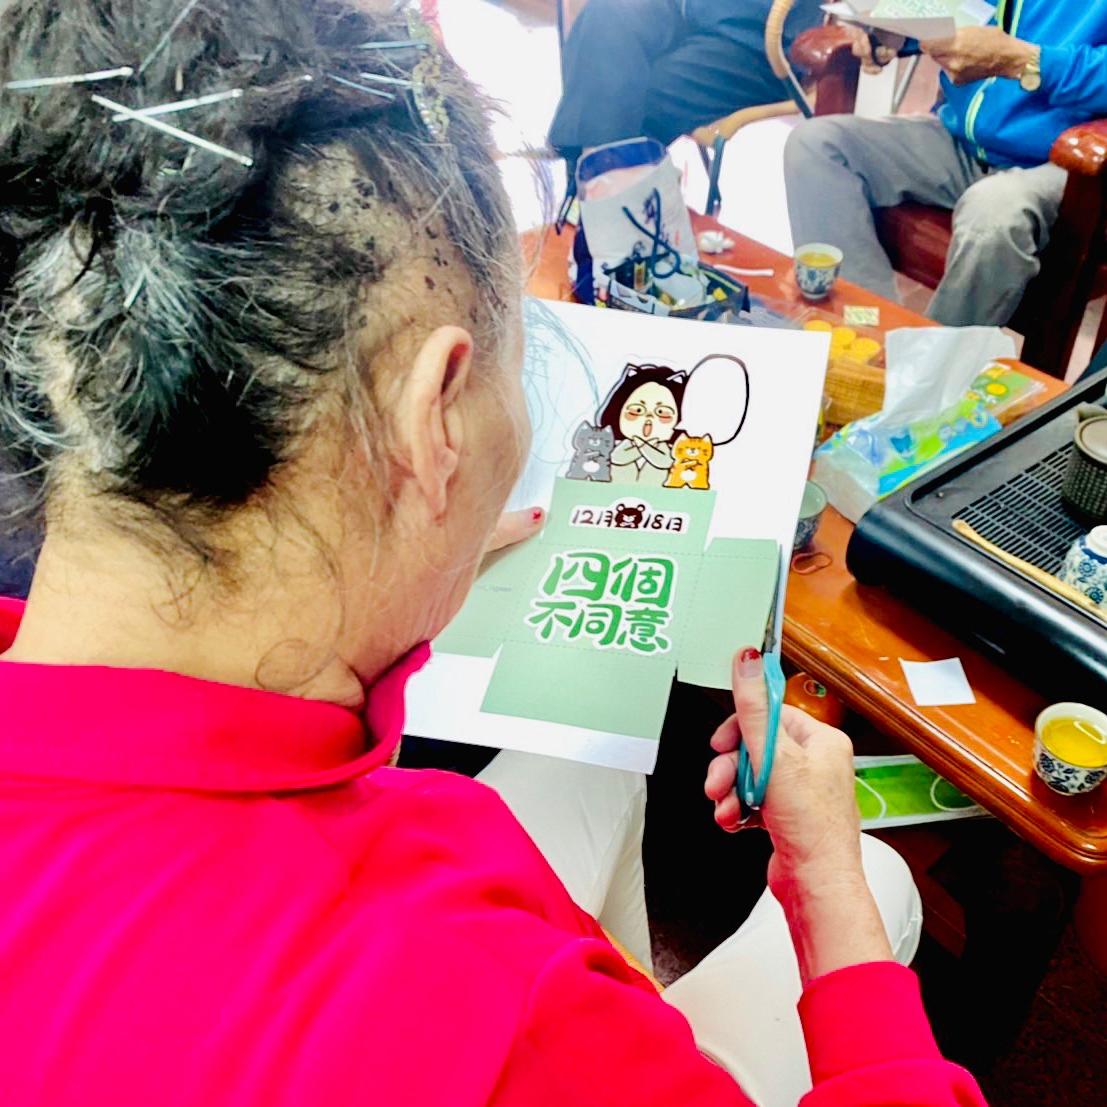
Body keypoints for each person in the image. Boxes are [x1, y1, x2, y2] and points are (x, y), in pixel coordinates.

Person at [0, 3, 986, 1105]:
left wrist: (409, 585)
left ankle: (641, 1005)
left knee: (587, 762)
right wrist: (825, 879)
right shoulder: (478, 996)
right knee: (884, 882)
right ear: (436, 416)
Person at [785, 3, 1107, 326]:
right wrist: (894, 31)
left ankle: (932, 356)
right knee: (816, 145)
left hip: (1065, 161)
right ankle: (866, 332)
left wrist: (1026, 61)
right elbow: (969, 13)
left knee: (992, 214)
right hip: (963, 138)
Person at [549, 0, 825, 164]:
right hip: (680, 10)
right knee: (607, 12)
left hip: (752, 40)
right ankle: (599, 188)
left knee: (638, 93)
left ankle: (600, 198)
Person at [598, 364, 685, 485]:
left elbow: (665, 462)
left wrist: (643, 446)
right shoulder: (624, 444)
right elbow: (616, 458)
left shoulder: (664, 447)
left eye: (662, 412)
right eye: (637, 410)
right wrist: (641, 446)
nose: (649, 418)